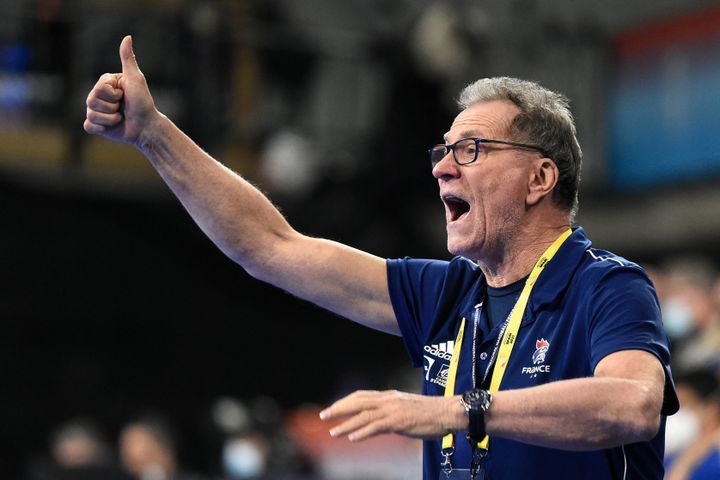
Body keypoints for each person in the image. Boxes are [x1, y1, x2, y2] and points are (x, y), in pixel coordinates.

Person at [84, 36, 679, 479]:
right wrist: (153, 135)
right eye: (441, 152)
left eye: (469, 149)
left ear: (539, 176)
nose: (443, 167)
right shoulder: (445, 294)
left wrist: (459, 412)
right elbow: (270, 247)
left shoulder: (606, 286)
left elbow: (633, 405)